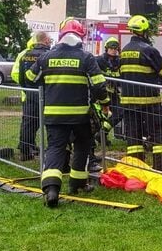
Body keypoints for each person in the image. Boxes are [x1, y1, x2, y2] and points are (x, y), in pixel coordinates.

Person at [25, 19, 108, 207]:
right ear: (80, 37)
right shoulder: (86, 58)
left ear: (61, 36)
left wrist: (47, 84)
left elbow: (29, 78)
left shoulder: (46, 57)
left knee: (55, 147)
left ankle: (52, 189)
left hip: (54, 114)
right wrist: (104, 103)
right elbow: (99, 85)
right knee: (82, 145)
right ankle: (77, 183)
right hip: (79, 115)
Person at [118, 14, 162, 171]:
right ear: (145, 32)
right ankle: (161, 168)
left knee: (133, 136)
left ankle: (136, 168)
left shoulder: (124, 51)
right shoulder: (149, 50)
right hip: (149, 101)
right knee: (159, 131)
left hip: (128, 102)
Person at [13, 32, 52, 160]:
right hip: (48, 95)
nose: (50, 42)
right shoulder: (48, 55)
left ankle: (25, 152)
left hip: (30, 95)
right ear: (45, 41)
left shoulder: (25, 55)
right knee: (51, 125)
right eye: (49, 40)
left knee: (28, 124)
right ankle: (53, 152)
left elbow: (21, 77)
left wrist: (28, 91)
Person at [96, 37, 122, 138]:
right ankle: (97, 137)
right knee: (99, 116)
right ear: (106, 48)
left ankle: (103, 133)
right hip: (100, 94)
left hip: (113, 93)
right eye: (111, 48)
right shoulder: (99, 60)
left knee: (120, 112)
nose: (113, 50)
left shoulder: (119, 62)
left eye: (115, 48)